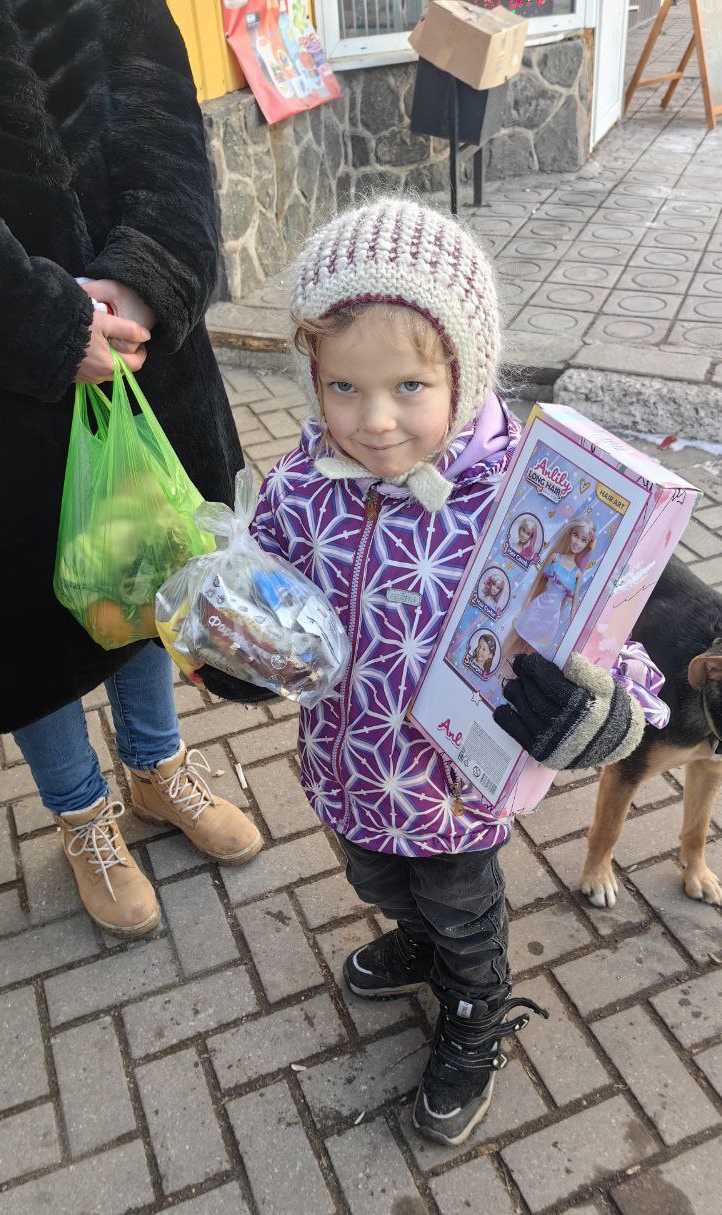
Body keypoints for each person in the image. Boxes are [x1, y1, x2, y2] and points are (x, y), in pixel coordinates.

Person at [196, 199, 653, 1146]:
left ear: (465, 370)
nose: (373, 422)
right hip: (348, 765)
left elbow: (622, 659)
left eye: (410, 385)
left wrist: (598, 717)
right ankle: (416, 943)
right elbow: (267, 580)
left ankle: (475, 1011)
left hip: (451, 795)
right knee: (377, 878)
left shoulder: (528, 503)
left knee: (462, 908)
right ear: (313, 378)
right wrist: (240, 648)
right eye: (342, 388)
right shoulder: (302, 482)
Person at [0, 0, 262, 940]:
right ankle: (84, 816)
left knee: (144, 567)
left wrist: (145, 276)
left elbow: (158, 104)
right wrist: (40, 320)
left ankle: (156, 768)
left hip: (138, 352)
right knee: (18, 618)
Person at [500, 516, 596, 674]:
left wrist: (574, 630)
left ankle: (512, 680)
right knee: (514, 636)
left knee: (530, 655)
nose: (577, 542)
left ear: (587, 545)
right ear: (570, 534)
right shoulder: (555, 558)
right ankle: (495, 665)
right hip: (537, 607)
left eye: (583, 540)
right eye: (576, 535)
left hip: (551, 620)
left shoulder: (577, 574)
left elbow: (574, 605)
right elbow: (538, 581)